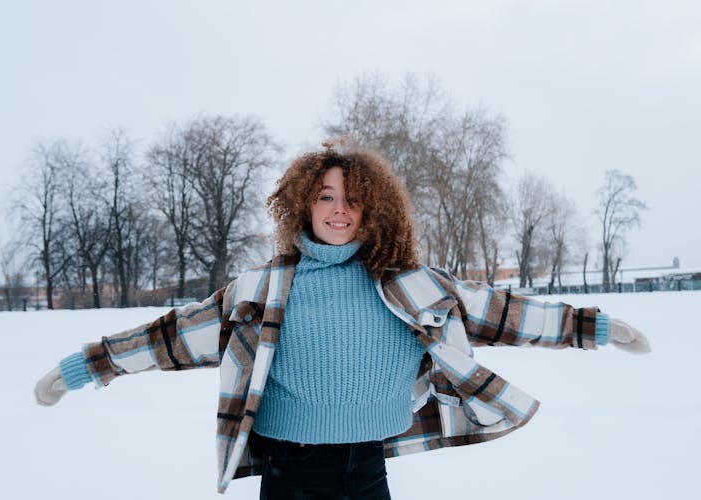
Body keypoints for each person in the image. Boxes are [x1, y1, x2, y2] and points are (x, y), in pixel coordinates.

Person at [35, 141, 651, 499]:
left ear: (371, 208)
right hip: (289, 468)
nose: (338, 208)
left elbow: (506, 313)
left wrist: (591, 327)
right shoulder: (265, 287)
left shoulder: (409, 284)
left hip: (367, 467)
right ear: (303, 200)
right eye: (325, 195)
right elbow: (171, 337)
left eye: (351, 198)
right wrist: (85, 367)